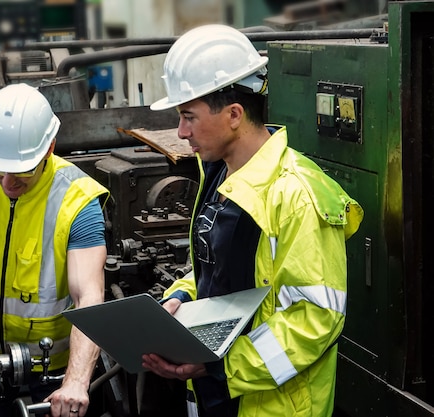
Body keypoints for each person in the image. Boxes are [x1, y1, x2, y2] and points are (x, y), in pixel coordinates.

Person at [144, 24, 364, 417]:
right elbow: (215, 269)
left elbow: (315, 320)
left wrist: (219, 366)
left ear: (233, 114)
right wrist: (179, 298)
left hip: (272, 406)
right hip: (216, 399)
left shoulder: (297, 195)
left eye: (188, 116)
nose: (181, 132)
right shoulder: (218, 176)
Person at [0, 83, 109, 417]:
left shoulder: (77, 200)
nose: (8, 183)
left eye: (21, 171)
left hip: (53, 375)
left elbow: (89, 298)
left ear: (50, 148)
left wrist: (76, 382)